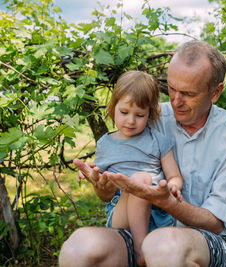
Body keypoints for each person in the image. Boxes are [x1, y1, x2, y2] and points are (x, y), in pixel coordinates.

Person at [59, 40, 226, 267]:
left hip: (212, 238)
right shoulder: (148, 116)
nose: (175, 101)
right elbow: (114, 192)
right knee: (78, 248)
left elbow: (216, 222)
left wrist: (167, 202)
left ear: (216, 92)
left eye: (188, 93)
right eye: (171, 88)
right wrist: (103, 188)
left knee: (163, 247)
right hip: (147, 228)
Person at [72, 70, 183, 266]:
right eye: (124, 112)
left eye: (139, 115)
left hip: (156, 210)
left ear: (150, 113)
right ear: (113, 107)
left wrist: (173, 187)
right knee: (140, 180)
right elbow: (98, 172)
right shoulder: (106, 143)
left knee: (143, 181)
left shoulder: (158, 140)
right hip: (120, 210)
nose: (131, 121)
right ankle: (140, 249)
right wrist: (87, 172)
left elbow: (174, 175)